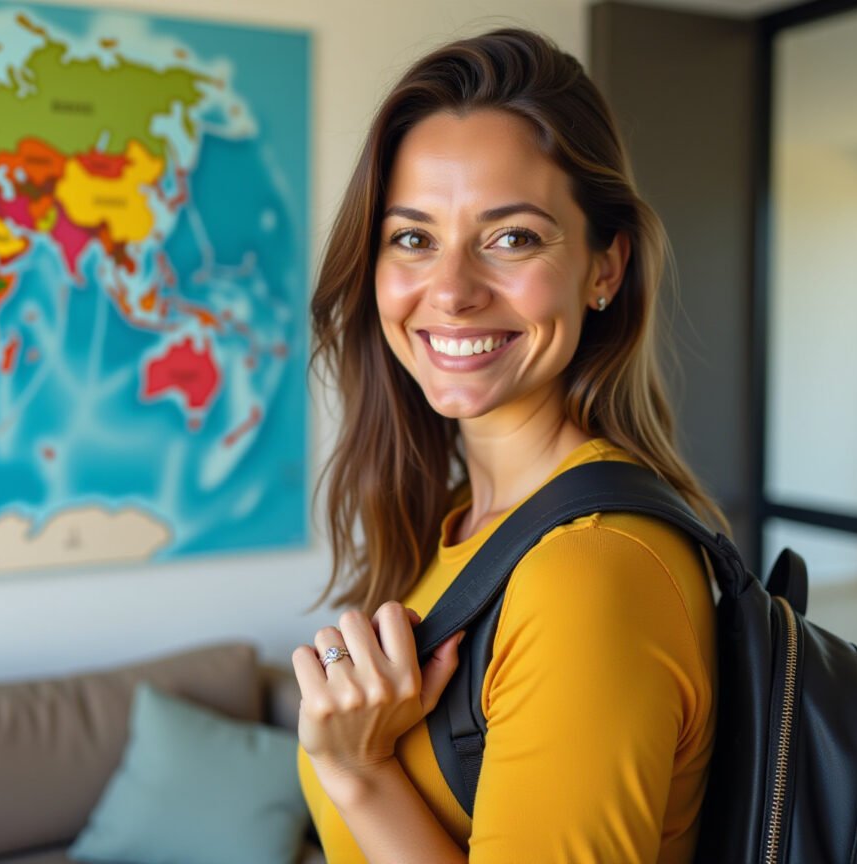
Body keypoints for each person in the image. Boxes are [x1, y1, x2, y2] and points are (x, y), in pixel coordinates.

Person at [293, 28, 728, 863]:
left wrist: (358, 773)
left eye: (512, 237)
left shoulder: (590, 571)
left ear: (605, 268)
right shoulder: (459, 523)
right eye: (413, 238)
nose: (451, 291)